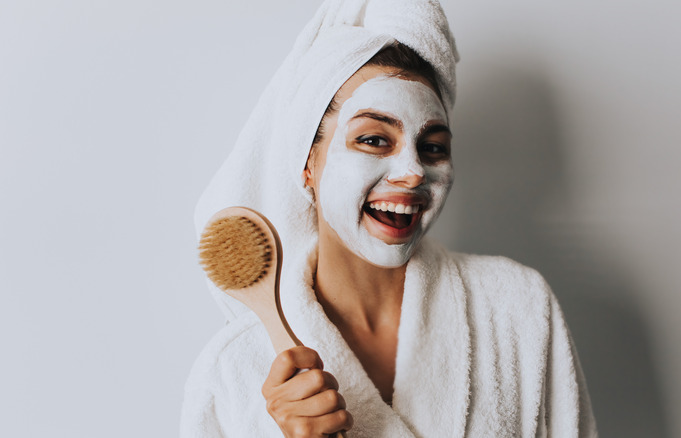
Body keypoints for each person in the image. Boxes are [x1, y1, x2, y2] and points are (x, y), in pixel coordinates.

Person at [181, 1, 597, 437]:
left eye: (433, 147)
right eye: (375, 139)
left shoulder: (517, 307)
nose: (413, 171)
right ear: (307, 163)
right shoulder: (232, 371)